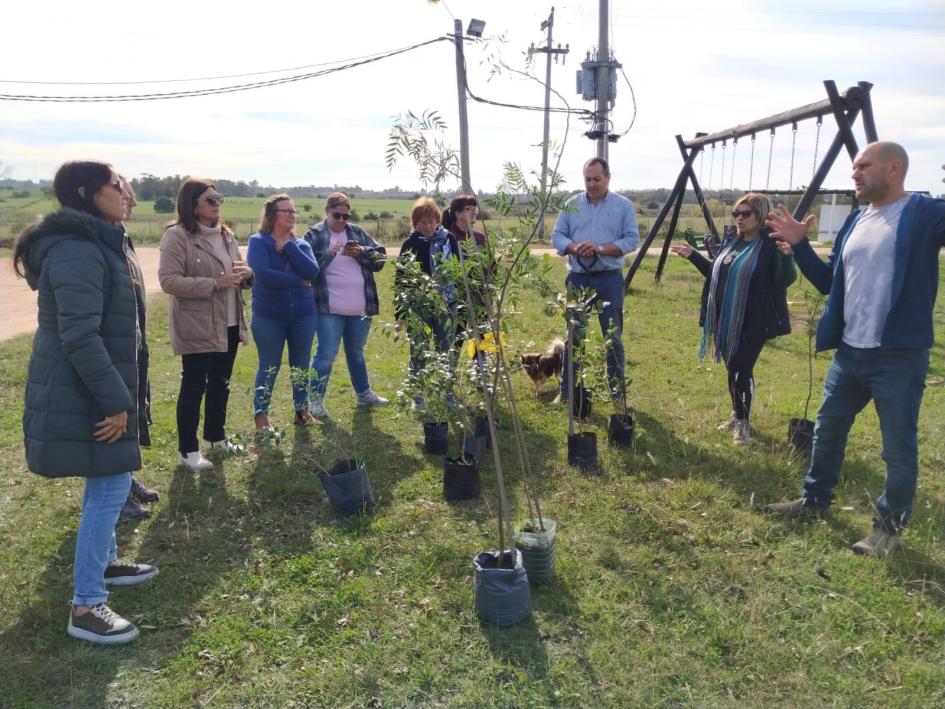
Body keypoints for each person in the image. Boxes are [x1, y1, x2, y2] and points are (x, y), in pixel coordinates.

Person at [764, 141, 945, 556]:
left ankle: (887, 530)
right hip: (851, 352)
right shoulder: (855, 220)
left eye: (863, 165)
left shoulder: (924, 214)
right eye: (854, 166)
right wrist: (800, 246)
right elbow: (830, 284)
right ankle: (814, 500)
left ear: (894, 168)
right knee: (827, 430)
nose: (855, 173)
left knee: (897, 447)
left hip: (897, 356)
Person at [13, 160, 159, 644]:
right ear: (85, 191)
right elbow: (79, 336)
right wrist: (117, 401)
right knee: (112, 485)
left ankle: (106, 563)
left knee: (107, 476)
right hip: (85, 387)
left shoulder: (99, 240)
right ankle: (86, 605)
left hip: (93, 383)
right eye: (118, 185)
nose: (129, 194)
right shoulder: (78, 248)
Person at [670, 192, 796, 445]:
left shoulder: (771, 244)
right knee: (732, 368)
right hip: (726, 319)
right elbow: (715, 273)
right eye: (736, 213)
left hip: (755, 319)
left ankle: (743, 423)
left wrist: (786, 258)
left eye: (745, 213)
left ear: (760, 215)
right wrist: (694, 255)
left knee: (741, 368)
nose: (739, 218)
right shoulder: (732, 242)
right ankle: (737, 413)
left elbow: (784, 281)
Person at [158, 179, 252, 471]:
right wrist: (214, 283)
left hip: (230, 320)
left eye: (219, 198)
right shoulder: (177, 236)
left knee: (221, 384)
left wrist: (247, 274)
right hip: (198, 323)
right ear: (193, 205)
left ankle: (216, 437)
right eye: (211, 199)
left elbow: (239, 270)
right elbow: (168, 281)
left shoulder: (227, 235)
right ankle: (188, 451)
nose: (217, 203)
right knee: (194, 386)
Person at [551, 157, 640, 408]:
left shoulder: (623, 206)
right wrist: (573, 247)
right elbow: (557, 235)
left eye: (597, 179)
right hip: (578, 279)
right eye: (588, 179)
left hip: (609, 279)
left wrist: (600, 248)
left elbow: (631, 239)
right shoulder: (571, 204)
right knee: (574, 337)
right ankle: (567, 392)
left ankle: (618, 397)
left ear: (608, 178)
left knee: (613, 338)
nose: (591, 184)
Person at [302, 192, 388, 420]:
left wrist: (362, 252)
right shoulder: (314, 234)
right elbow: (306, 270)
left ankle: (363, 394)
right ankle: (316, 402)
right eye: (337, 215)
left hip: (360, 307)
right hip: (328, 308)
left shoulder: (357, 232)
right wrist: (329, 255)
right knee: (325, 355)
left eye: (345, 216)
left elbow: (380, 260)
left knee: (356, 353)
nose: (341, 220)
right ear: (327, 212)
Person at [246, 194, 319, 430]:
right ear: (272, 215)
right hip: (269, 316)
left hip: (303, 315)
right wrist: (299, 281)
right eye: (285, 211)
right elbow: (264, 275)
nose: (291, 215)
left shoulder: (301, 244)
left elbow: (312, 271)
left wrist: (288, 246)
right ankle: (261, 418)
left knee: (301, 366)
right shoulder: (258, 242)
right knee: (268, 366)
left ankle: (302, 412)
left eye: (293, 211)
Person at [115, 176, 160, 520]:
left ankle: (126, 480)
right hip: (113, 347)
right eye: (125, 194)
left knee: (132, 412)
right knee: (114, 419)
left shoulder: (121, 237)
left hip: (132, 341)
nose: (132, 202)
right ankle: (116, 494)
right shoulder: (97, 243)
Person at [394, 196, 461, 411]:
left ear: (438, 221)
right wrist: (400, 315)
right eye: (422, 223)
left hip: (445, 304)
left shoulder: (449, 240)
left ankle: (447, 391)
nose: (428, 226)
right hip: (418, 307)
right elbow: (401, 280)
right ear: (416, 224)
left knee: (445, 349)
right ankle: (418, 394)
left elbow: (458, 271)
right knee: (419, 350)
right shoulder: (410, 244)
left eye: (431, 221)